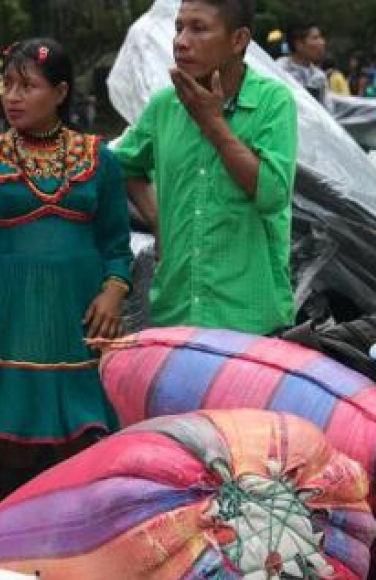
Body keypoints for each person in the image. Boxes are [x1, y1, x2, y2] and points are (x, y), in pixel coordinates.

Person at [0, 38, 132, 504]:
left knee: (77, 444)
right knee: (14, 451)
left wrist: (114, 289)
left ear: (61, 92)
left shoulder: (99, 158)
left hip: (77, 321)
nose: (12, 96)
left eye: (28, 86)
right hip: (8, 325)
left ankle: (71, 553)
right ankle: (10, 554)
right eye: (7, 85)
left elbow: (116, 244)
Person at [117, 0, 297, 335]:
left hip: (249, 318)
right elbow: (124, 165)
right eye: (179, 28)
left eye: (198, 28)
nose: (181, 41)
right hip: (176, 311)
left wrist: (212, 124)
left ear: (238, 40)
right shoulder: (164, 106)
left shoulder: (273, 102)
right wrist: (158, 220)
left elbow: (272, 194)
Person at [277, 21, 328, 107]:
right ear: (299, 44)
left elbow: (326, 110)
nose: (322, 42)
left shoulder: (319, 77)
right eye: (315, 38)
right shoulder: (278, 71)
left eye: (321, 37)